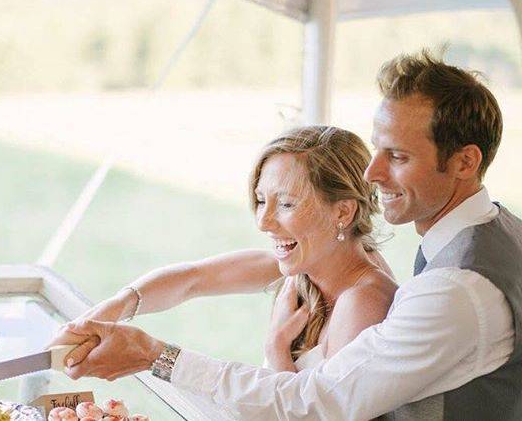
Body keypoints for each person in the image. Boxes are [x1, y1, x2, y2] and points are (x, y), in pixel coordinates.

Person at [51, 50, 522, 420]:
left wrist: (154, 355)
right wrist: (119, 305)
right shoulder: (491, 239)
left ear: (465, 162)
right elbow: (194, 277)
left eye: (397, 156)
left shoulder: (454, 290)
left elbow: (316, 406)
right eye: (376, 150)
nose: (373, 173)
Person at [51, 125, 397, 375]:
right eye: (262, 201)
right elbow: (194, 279)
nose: (264, 222)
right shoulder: (311, 263)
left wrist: (276, 350)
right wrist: (108, 312)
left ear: (343, 211)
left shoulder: (362, 300)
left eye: (287, 204)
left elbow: (311, 412)